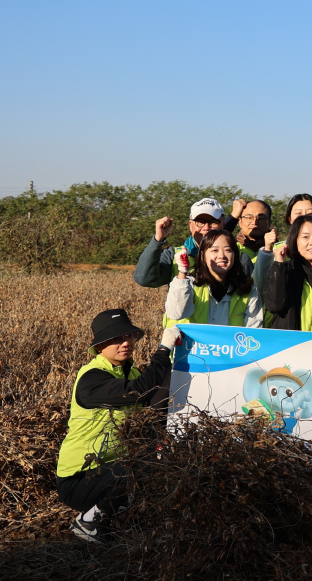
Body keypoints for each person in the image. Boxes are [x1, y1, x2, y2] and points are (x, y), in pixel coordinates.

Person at [57, 310, 180, 543]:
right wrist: (164, 349)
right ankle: (87, 522)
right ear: (100, 346)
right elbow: (141, 391)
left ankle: (119, 515)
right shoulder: (91, 379)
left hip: (108, 468)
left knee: (159, 465)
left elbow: (155, 398)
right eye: (116, 339)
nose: (125, 343)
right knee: (134, 470)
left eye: (130, 336)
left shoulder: (130, 371)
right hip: (79, 479)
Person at [134, 197, 254, 306]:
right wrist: (157, 239)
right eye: (200, 222)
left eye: (213, 222)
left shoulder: (239, 259)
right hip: (183, 330)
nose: (206, 228)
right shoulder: (174, 256)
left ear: (222, 224)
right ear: (190, 225)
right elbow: (145, 279)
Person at [165, 228, 264, 328]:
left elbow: (253, 330)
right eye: (214, 250)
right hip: (194, 344)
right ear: (203, 255)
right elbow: (176, 313)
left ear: (235, 255)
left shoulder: (247, 289)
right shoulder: (190, 284)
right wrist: (182, 271)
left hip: (231, 343)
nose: (221, 256)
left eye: (228, 250)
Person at [261, 214, 312, 332]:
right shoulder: (285, 271)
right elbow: (275, 306)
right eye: (305, 237)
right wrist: (279, 265)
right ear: (295, 240)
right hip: (292, 346)